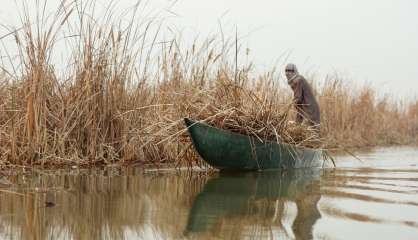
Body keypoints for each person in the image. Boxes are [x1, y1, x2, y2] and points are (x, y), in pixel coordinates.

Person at [285, 63, 320, 131]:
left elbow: (298, 99)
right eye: (286, 71)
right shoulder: (296, 80)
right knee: (307, 130)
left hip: (310, 110)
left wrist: (287, 108)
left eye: (290, 70)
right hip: (308, 109)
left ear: (294, 71)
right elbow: (299, 105)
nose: (288, 73)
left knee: (311, 132)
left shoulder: (298, 80)